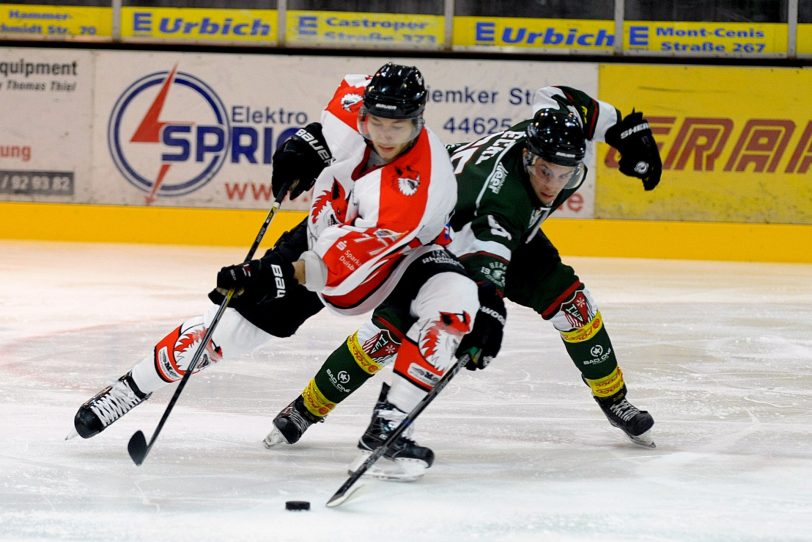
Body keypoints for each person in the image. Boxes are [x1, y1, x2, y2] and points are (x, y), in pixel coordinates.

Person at [70, 63, 481, 466]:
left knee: (446, 303)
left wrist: (267, 277)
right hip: (327, 229)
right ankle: (130, 388)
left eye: (399, 128)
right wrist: (306, 144)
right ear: (364, 112)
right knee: (225, 332)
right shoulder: (356, 106)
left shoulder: (410, 194)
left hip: (391, 259)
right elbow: (333, 117)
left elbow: (328, 274)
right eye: (377, 124)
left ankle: (390, 424)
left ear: (418, 123)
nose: (386, 137)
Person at [262, 85, 663, 480]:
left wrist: (621, 129)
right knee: (390, 332)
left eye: (566, 174)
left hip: (509, 236)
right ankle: (305, 409)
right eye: (544, 171)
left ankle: (616, 401)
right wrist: (488, 310)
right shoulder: (501, 199)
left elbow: (558, 95)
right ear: (527, 156)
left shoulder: (545, 135)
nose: (552, 184)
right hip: (440, 236)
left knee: (574, 307)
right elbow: (484, 261)